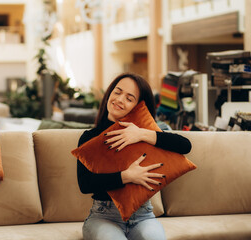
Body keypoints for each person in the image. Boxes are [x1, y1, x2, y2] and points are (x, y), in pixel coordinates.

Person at [77, 72, 192, 240]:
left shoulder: (145, 134)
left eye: (129, 98)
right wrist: (126, 176)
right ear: (109, 94)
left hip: (143, 216)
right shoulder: (89, 138)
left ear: (139, 106)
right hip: (103, 216)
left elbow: (185, 146)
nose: (120, 99)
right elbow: (85, 184)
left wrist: (142, 134)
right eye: (117, 92)